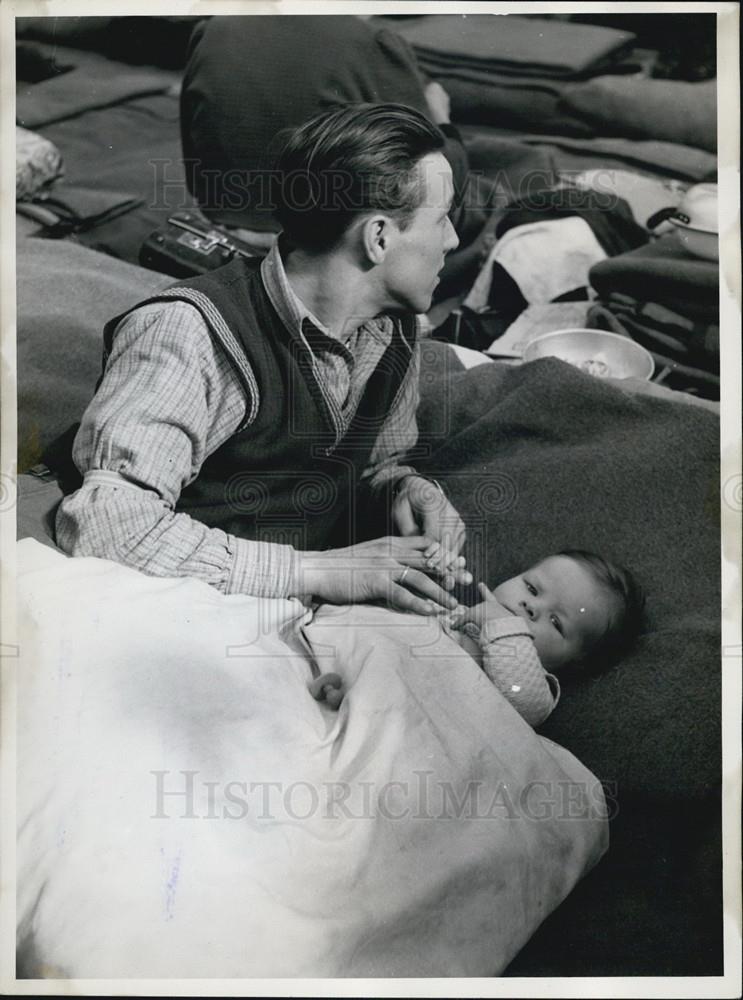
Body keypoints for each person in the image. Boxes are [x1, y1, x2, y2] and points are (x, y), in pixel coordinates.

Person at [56, 103, 471, 614]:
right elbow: (108, 527)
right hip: (184, 612)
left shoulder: (394, 330)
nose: (454, 239)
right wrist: (318, 572)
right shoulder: (191, 334)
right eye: (442, 218)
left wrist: (401, 490)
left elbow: (369, 465)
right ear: (379, 237)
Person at [179, 14, 485, 265]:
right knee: (484, 200)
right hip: (319, 253)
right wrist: (443, 120)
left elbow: (194, 168)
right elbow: (438, 181)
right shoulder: (370, 42)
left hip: (221, 233)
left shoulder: (214, 29)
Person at [311, 550, 645, 726]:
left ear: (575, 662)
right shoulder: (449, 614)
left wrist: (502, 625)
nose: (531, 607)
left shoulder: (535, 684)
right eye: (531, 588)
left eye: (556, 622)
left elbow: (523, 704)